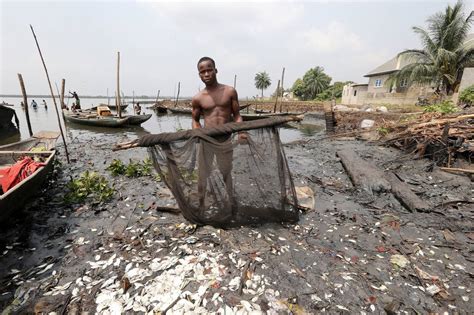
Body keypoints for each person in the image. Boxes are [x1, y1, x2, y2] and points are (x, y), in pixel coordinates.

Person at [191, 56, 246, 217]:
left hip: (224, 139)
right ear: (199, 75)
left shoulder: (229, 91)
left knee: (225, 171)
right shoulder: (198, 98)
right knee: (203, 174)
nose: (206, 74)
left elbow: (237, 115)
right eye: (202, 72)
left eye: (209, 70)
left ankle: (231, 202)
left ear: (216, 70)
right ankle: (201, 206)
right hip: (207, 140)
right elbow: (195, 120)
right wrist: (198, 132)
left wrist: (241, 131)